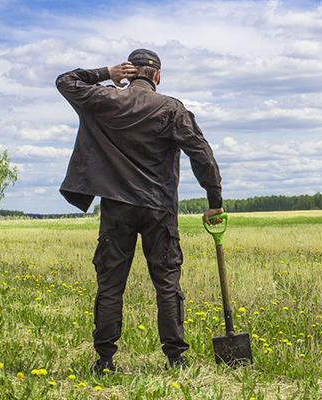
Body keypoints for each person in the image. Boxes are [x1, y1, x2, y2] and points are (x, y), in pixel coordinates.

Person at [56, 49, 224, 374]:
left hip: (117, 207)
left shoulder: (107, 99)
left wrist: (106, 71)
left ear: (129, 72)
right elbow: (201, 154)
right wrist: (214, 200)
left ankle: (104, 361)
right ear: (157, 76)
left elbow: (66, 81)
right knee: (167, 283)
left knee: (110, 284)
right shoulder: (172, 108)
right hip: (159, 208)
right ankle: (176, 359)